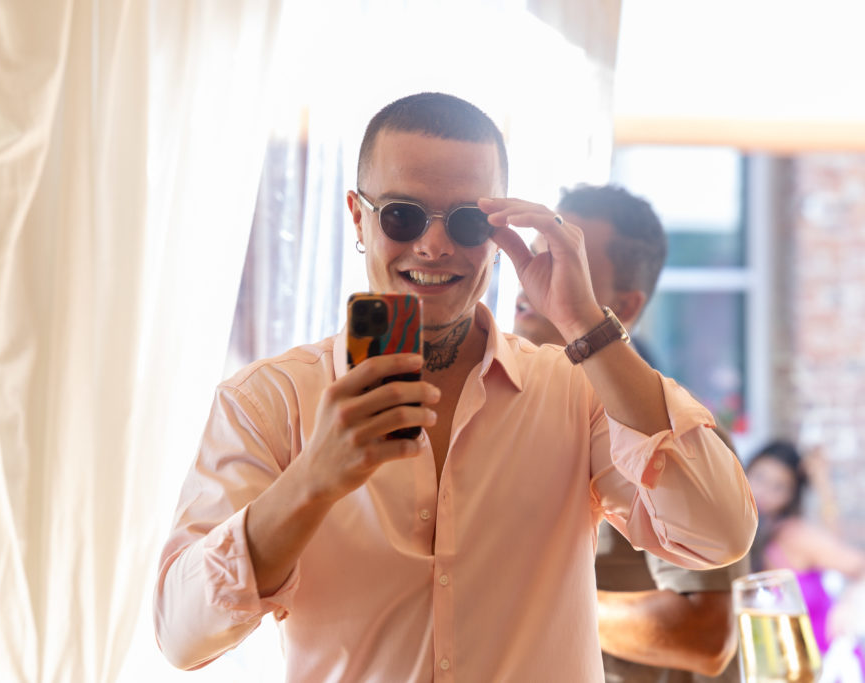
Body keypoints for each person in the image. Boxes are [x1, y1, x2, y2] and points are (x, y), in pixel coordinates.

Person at [153, 92, 757, 681]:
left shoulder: (575, 392)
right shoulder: (268, 402)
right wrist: (311, 481)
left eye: (466, 222)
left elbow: (719, 533)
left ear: (497, 233)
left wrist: (586, 325)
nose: (434, 245)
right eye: (403, 215)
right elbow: (180, 635)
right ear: (358, 217)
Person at [514, 183, 750, 682]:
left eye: (565, 263)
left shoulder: (671, 435)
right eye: (536, 255)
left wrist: (530, 604)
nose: (532, 278)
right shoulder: (519, 406)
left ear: (625, 305)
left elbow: (706, 637)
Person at [746, 439, 865, 668]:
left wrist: (847, 604)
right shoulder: (738, 539)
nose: (764, 492)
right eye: (760, 477)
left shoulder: (792, 535)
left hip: (826, 666)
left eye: (779, 487)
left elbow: (858, 565)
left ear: (790, 496)